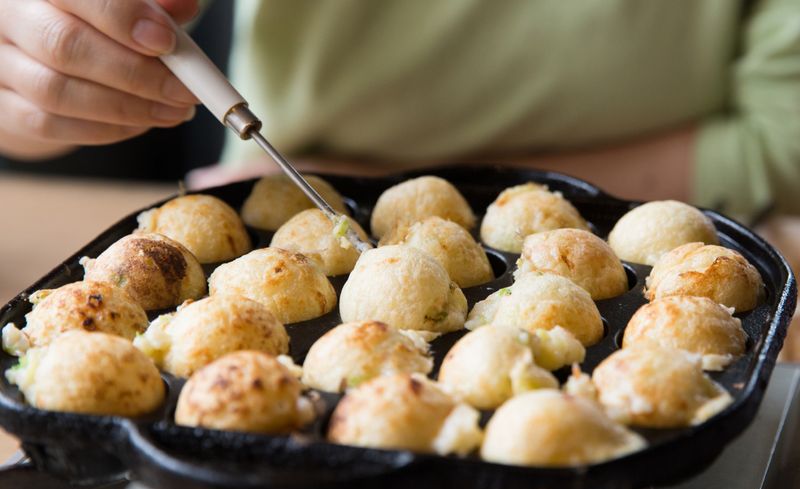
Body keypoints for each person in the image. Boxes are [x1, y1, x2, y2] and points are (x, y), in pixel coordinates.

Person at [0, 0, 798, 221]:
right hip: (279, 227)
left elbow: (783, 146)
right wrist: (35, 66)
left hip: (674, 224)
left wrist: (397, 193)